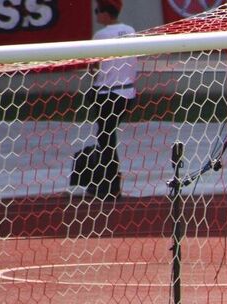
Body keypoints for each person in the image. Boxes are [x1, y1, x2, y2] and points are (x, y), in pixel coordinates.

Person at [89, 0, 136, 199]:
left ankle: (111, 185)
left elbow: (93, 66)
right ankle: (106, 181)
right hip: (128, 92)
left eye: (97, 11)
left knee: (106, 139)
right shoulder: (130, 30)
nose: (96, 14)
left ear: (106, 13)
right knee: (107, 137)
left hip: (107, 94)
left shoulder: (100, 35)